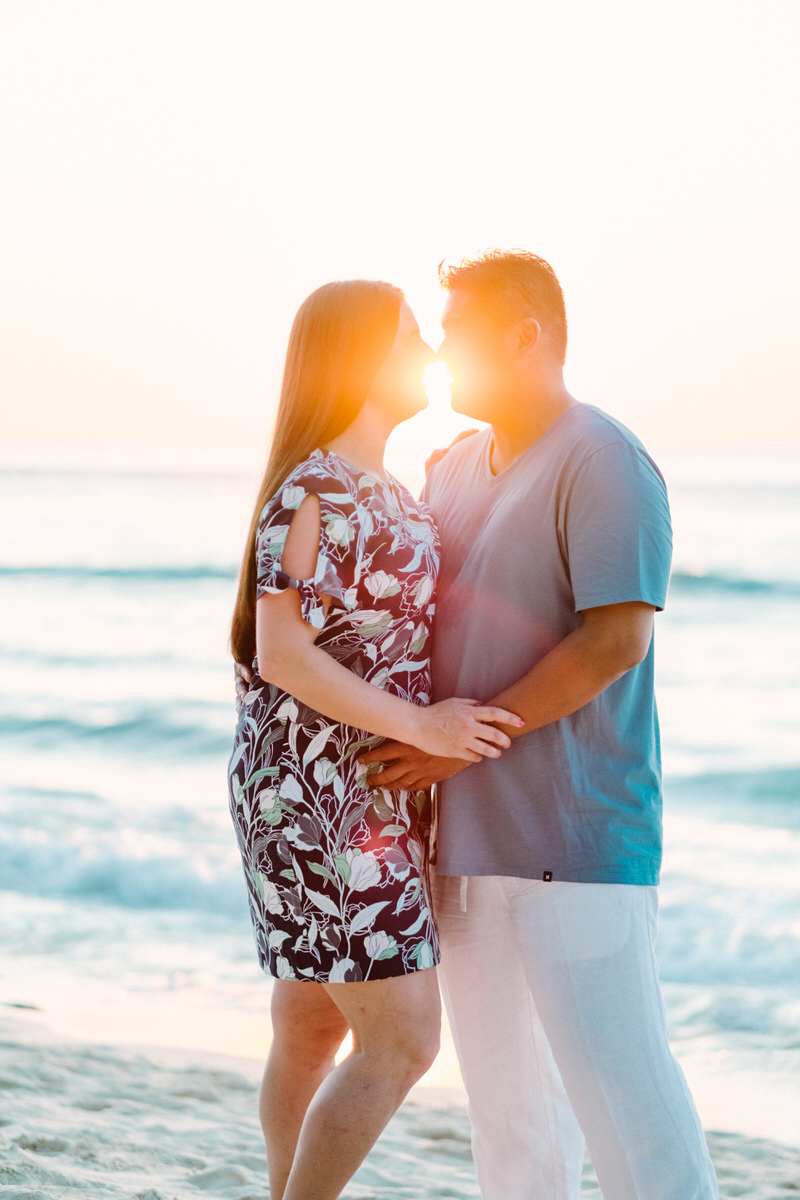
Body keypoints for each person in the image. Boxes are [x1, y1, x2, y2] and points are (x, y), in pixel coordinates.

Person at [360, 251, 720, 1200]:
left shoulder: (605, 459)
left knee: (629, 1113)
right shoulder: (450, 469)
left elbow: (616, 642)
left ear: (527, 336)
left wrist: (463, 735)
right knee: (511, 1129)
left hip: (581, 845)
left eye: (460, 330)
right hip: (466, 849)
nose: (439, 350)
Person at [227, 278, 521, 1200]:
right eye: (406, 337)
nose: (427, 354)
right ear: (358, 357)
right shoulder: (311, 487)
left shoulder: (391, 489)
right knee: (403, 1042)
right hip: (314, 795)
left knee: (313, 1028)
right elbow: (283, 655)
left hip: (370, 795)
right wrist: (424, 726)